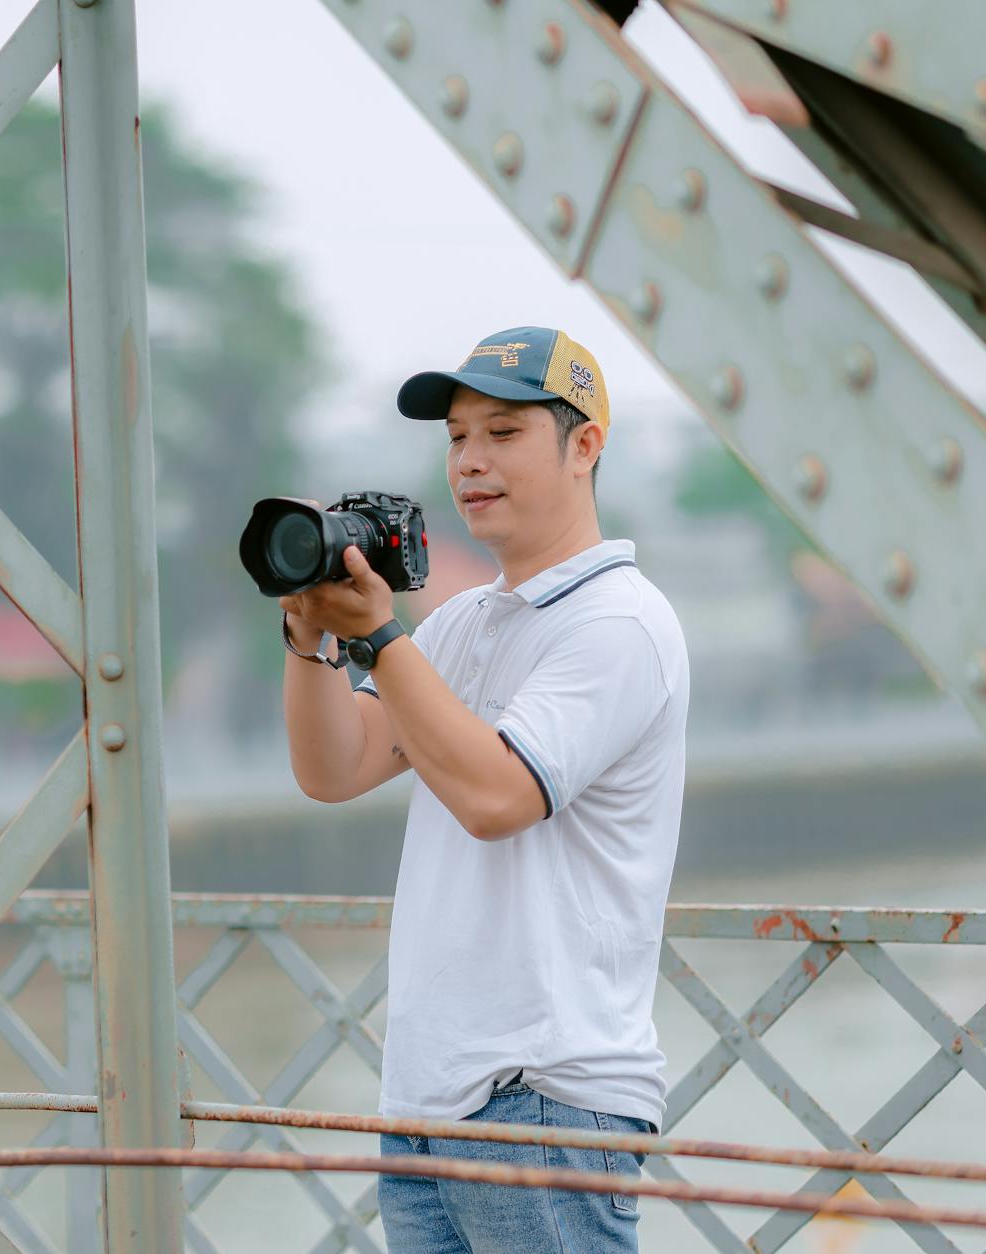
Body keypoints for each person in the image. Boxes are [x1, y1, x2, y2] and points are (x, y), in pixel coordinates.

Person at [279, 327, 689, 1252]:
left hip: (545, 1097)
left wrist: (382, 637)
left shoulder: (620, 620)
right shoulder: (463, 621)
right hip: (425, 1100)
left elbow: (497, 799)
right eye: (457, 437)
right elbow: (336, 769)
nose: (470, 461)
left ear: (584, 446)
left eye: (503, 433)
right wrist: (310, 637)